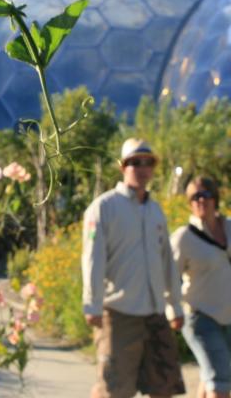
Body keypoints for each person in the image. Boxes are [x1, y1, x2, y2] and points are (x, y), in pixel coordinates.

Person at [82, 137, 185, 398]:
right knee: (115, 389)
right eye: (134, 162)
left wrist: (174, 305)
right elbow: (93, 259)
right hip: (119, 313)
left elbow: (167, 262)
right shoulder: (104, 208)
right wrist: (92, 304)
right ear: (122, 167)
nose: (142, 168)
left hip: (155, 313)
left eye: (148, 162)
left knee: (164, 387)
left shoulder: (155, 211)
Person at [171, 176, 231, 398]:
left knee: (211, 376)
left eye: (203, 195)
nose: (199, 201)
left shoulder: (230, 227)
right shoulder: (183, 237)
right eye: (193, 197)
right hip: (199, 317)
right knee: (219, 379)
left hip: (227, 315)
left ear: (214, 197)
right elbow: (168, 277)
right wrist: (172, 311)